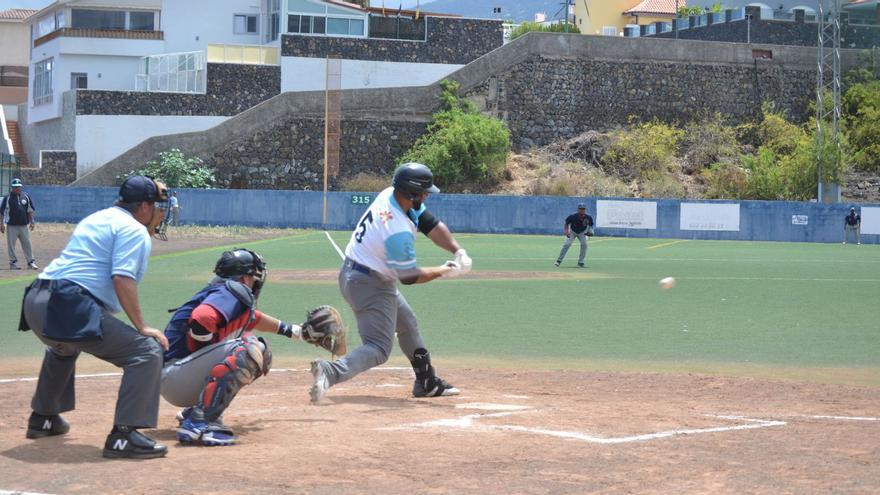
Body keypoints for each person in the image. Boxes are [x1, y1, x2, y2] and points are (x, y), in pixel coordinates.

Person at [18, 175, 170, 459]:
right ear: (145, 207)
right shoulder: (134, 230)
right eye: (158, 205)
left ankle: (44, 418)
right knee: (146, 351)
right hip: (66, 304)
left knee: (64, 348)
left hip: (35, 299)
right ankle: (125, 436)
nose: (161, 212)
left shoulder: (97, 218)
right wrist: (142, 326)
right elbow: (122, 279)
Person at [309, 162, 472, 403]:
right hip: (369, 283)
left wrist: (457, 250)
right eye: (425, 191)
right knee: (378, 347)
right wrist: (444, 270)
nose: (428, 195)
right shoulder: (397, 230)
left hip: (360, 274)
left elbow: (430, 223)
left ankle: (426, 382)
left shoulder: (393, 195)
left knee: (407, 323)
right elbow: (408, 277)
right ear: (412, 193)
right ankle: (330, 372)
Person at [161, 248, 343, 446]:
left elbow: (253, 319)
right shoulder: (233, 290)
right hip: (177, 376)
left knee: (259, 349)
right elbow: (202, 319)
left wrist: (298, 332)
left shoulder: (223, 291)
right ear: (246, 277)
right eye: (254, 276)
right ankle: (200, 421)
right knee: (248, 348)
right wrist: (205, 348)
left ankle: (200, 408)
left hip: (176, 376)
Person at [0, 178, 38, 270]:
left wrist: (32, 221)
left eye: (19, 187)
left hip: (23, 225)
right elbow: (2, 212)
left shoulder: (26, 197)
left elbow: (30, 210)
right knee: (11, 245)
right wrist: (1, 224)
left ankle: (30, 262)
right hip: (11, 226)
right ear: (12, 188)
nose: (18, 188)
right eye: (15, 187)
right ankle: (13, 263)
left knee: (27, 244)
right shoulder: (7, 198)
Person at [555, 203, 594, 268]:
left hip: (582, 232)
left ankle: (581, 262)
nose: (582, 210)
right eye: (580, 209)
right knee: (567, 244)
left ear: (585, 209)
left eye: (583, 209)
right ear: (578, 209)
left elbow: (591, 225)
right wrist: (566, 231)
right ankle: (559, 260)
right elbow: (566, 224)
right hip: (572, 232)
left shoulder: (588, 217)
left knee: (584, 244)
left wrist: (590, 231)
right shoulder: (572, 216)